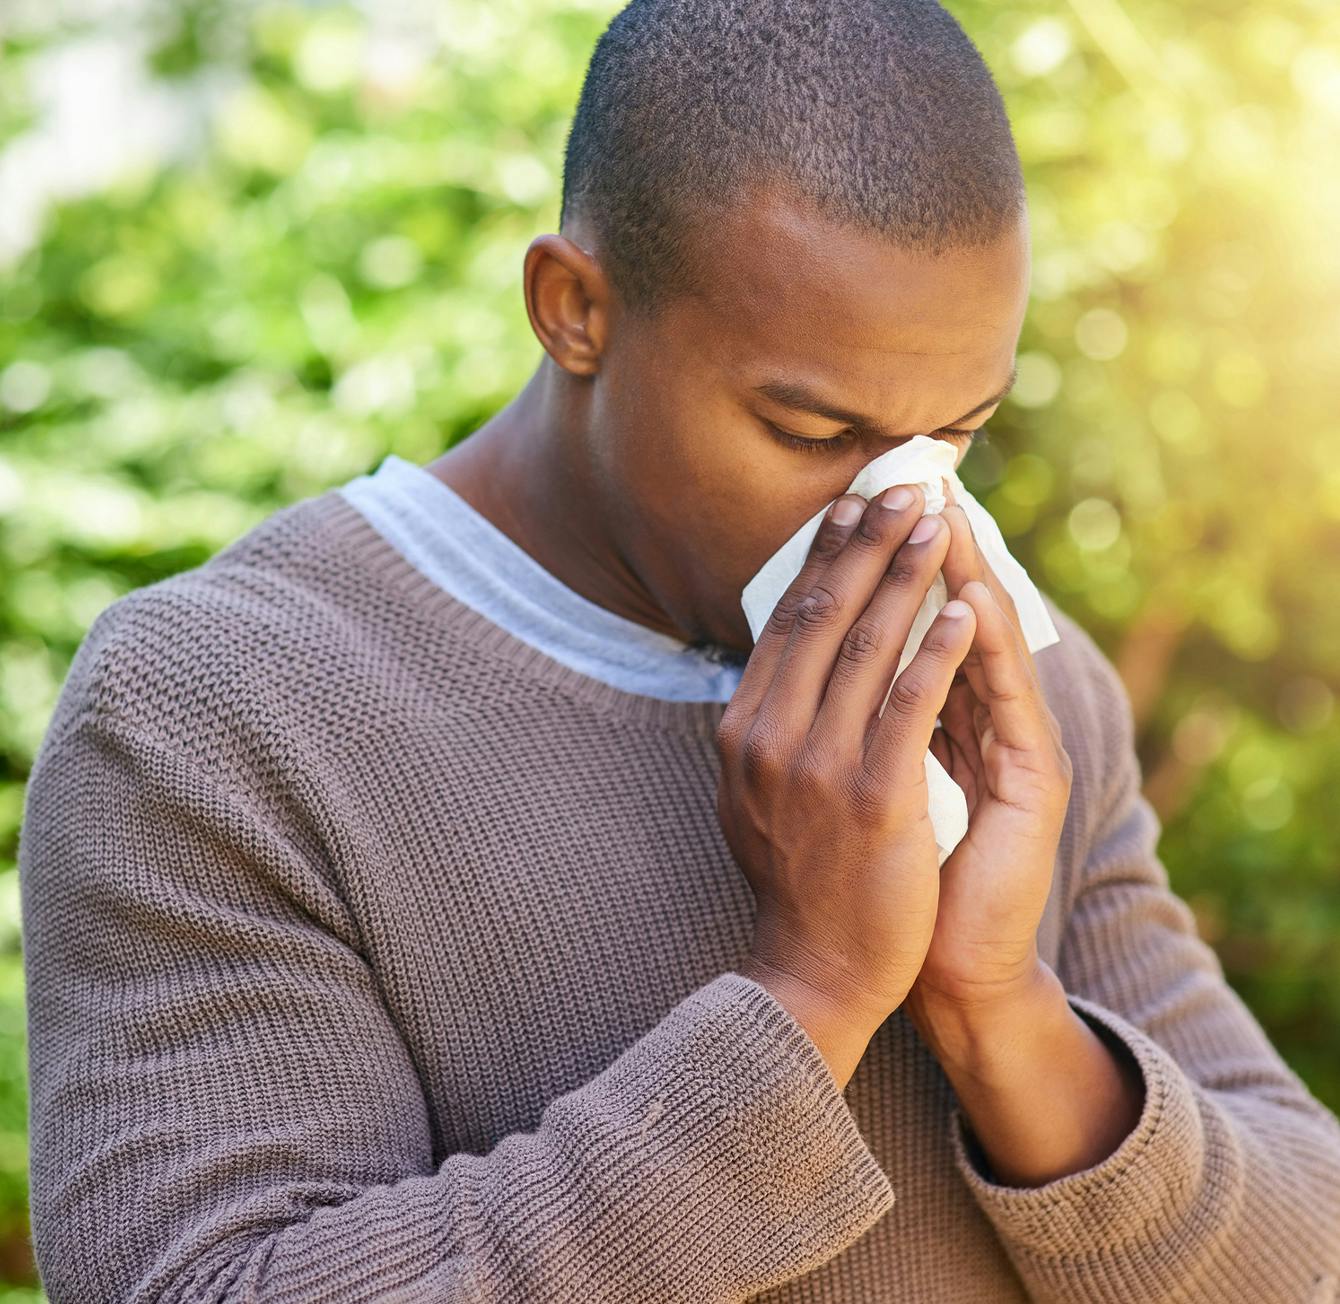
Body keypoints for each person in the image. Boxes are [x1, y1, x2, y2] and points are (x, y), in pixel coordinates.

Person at [19, 0, 1340, 1300]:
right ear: (573, 307)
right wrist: (811, 992)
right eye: (815, 431)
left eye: (955, 434)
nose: (896, 515)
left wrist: (1002, 1010)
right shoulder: (216, 713)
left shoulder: (1017, 701)